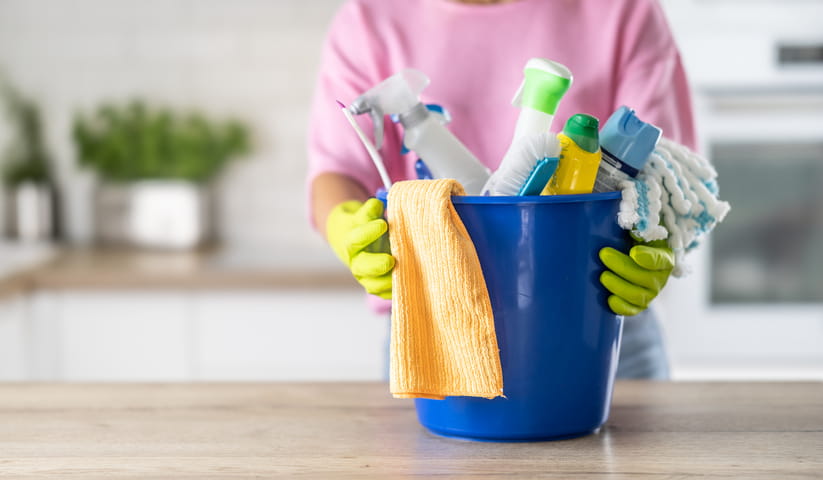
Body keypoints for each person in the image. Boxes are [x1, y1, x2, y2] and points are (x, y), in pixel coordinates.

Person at [307, 0, 696, 380]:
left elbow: (667, 168)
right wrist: (349, 226)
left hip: (598, 323)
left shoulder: (624, 9)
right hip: (436, 333)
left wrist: (656, 235)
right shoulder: (368, 17)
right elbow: (338, 172)